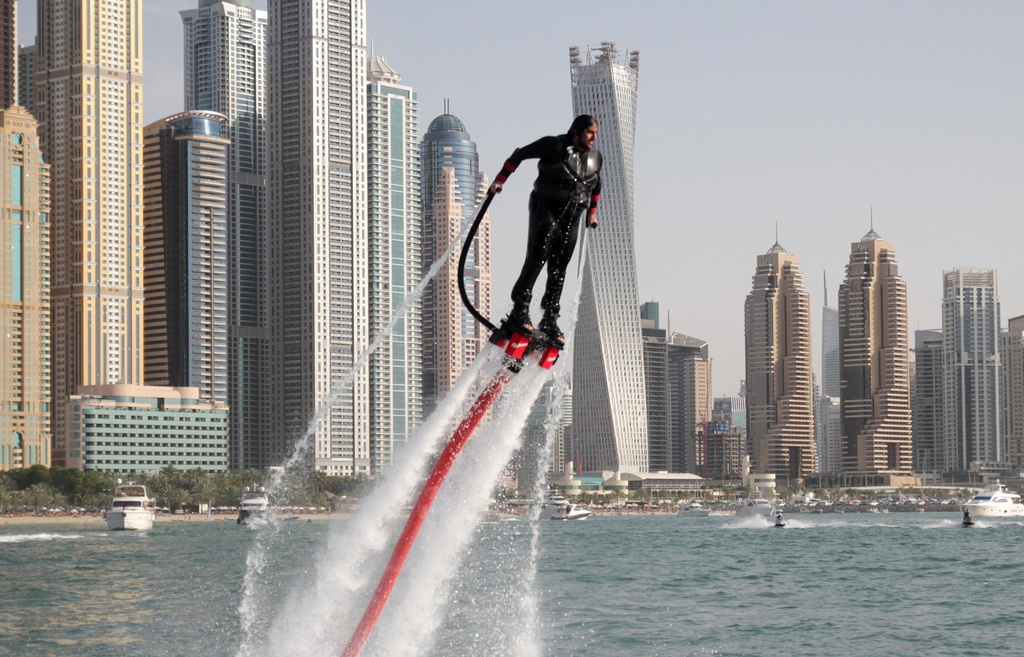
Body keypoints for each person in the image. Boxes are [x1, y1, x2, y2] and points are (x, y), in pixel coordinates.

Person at [488, 114, 602, 343]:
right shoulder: (554, 145)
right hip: (546, 205)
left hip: (573, 214)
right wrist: (500, 180)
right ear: (576, 132)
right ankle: (520, 307)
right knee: (538, 256)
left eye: (596, 133)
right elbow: (520, 154)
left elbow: (596, 184)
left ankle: (550, 317)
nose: (593, 137)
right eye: (590, 132)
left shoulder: (595, 158)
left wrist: (592, 213)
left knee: (560, 267)